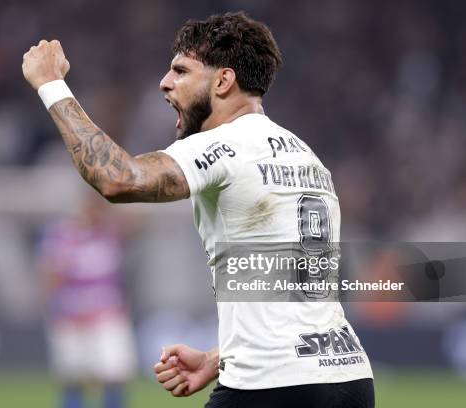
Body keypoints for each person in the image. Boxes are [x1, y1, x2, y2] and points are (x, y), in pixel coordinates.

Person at [23, 11, 374, 408]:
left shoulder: (224, 144)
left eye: (181, 71)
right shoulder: (307, 159)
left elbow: (118, 179)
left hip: (273, 386)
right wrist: (218, 358)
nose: (165, 83)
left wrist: (51, 85)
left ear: (223, 81)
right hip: (348, 378)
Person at [37, 193, 136, 408]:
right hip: (71, 316)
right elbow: (49, 276)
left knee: (114, 374)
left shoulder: (110, 232)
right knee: (73, 378)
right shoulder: (63, 235)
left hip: (106, 314)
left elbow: (137, 221)